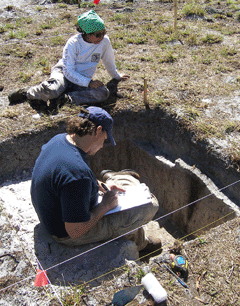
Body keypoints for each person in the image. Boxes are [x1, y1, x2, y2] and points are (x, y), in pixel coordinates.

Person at [30, 106, 160, 252]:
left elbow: (65, 180)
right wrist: (104, 206)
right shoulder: (77, 174)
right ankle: (140, 246)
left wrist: (100, 185)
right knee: (151, 204)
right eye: (104, 139)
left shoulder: (59, 140)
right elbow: (75, 231)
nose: (103, 145)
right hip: (66, 234)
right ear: (98, 130)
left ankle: (110, 181)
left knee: (128, 184)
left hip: (54, 212)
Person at [8, 10, 129, 109]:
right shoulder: (73, 43)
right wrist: (88, 83)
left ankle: (65, 99)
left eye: (104, 32)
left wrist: (116, 76)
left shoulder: (104, 42)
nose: (101, 37)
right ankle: (27, 93)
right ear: (86, 33)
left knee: (103, 93)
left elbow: (109, 61)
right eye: (97, 34)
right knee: (53, 90)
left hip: (83, 78)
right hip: (64, 73)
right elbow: (68, 71)